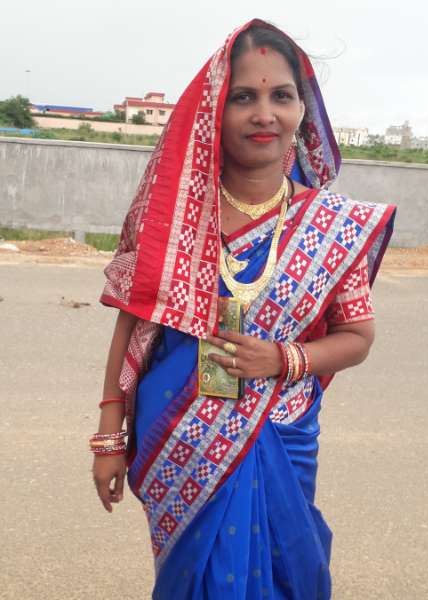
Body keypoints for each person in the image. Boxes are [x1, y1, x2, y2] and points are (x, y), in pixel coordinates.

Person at [91, 19, 396, 600]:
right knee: (195, 578)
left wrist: (282, 359)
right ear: (214, 111)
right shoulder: (175, 218)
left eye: (281, 96)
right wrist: (109, 437)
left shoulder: (333, 227)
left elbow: (358, 336)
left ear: (302, 110)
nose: (265, 114)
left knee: (288, 574)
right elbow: (131, 325)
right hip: (181, 438)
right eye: (243, 98)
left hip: (280, 432)